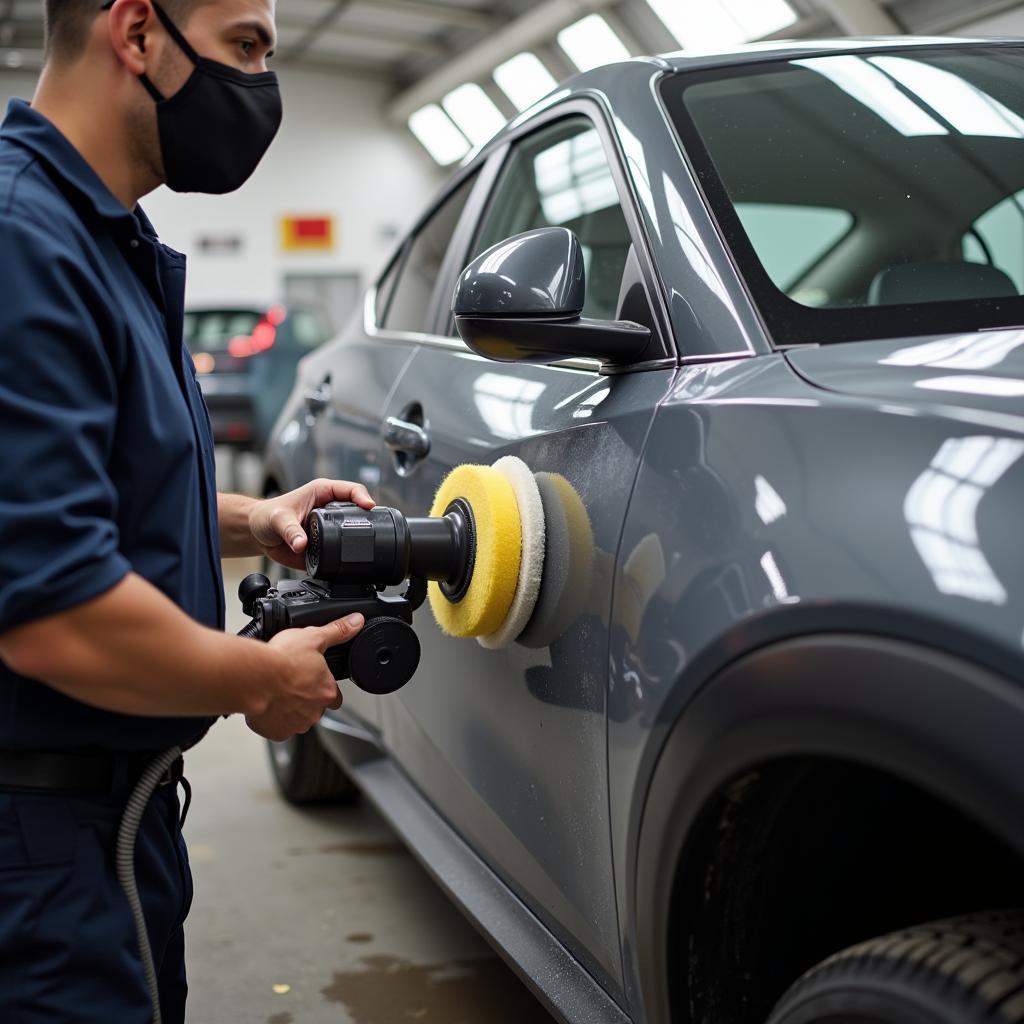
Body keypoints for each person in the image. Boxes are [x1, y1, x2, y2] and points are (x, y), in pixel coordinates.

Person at [0, 1, 370, 1019]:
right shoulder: (23, 242)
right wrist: (261, 679)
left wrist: (254, 520)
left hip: (110, 811)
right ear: (135, 32)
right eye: (246, 46)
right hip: (36, 839)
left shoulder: (103, 238)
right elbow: (54, 612)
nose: (261, 87)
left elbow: (98, 491)